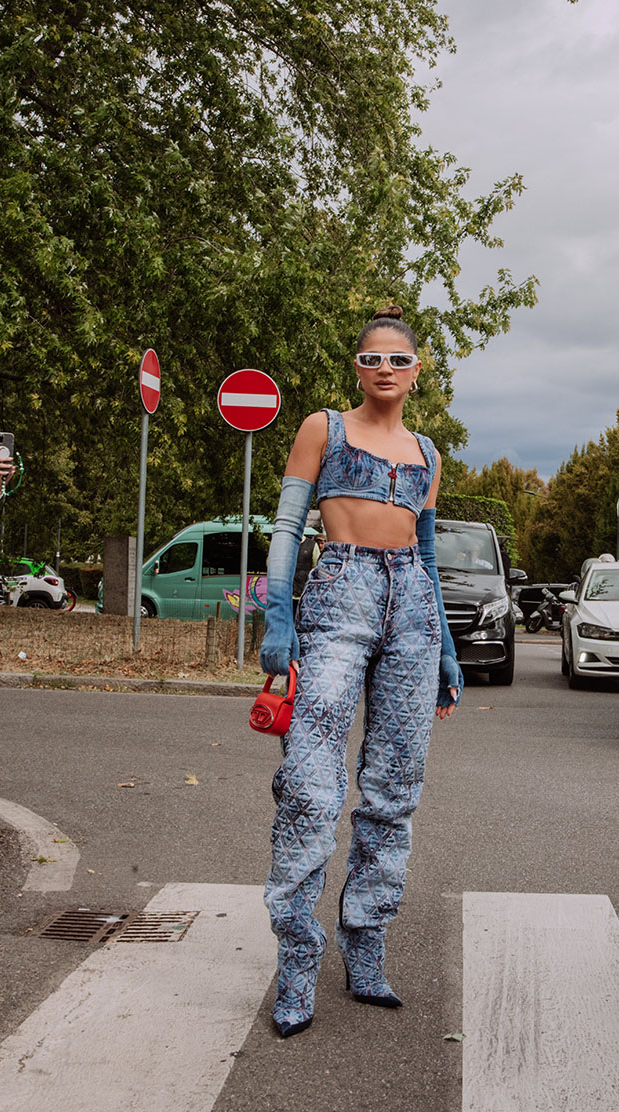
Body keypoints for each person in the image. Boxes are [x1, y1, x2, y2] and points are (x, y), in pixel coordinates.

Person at [259, 305, 462, 1038]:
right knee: (310, 783)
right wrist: (278, 615)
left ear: (417, 372)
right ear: (357, 367)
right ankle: (297, 958)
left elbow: (427, 555)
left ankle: (366, 943)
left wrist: (445, 648)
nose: (385, 369)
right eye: (372, 358)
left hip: (411, 608)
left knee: (394, 787)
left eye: (398, 359)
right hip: (338, 595)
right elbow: (288, 526)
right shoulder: (324, 429)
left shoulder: (427, 453)